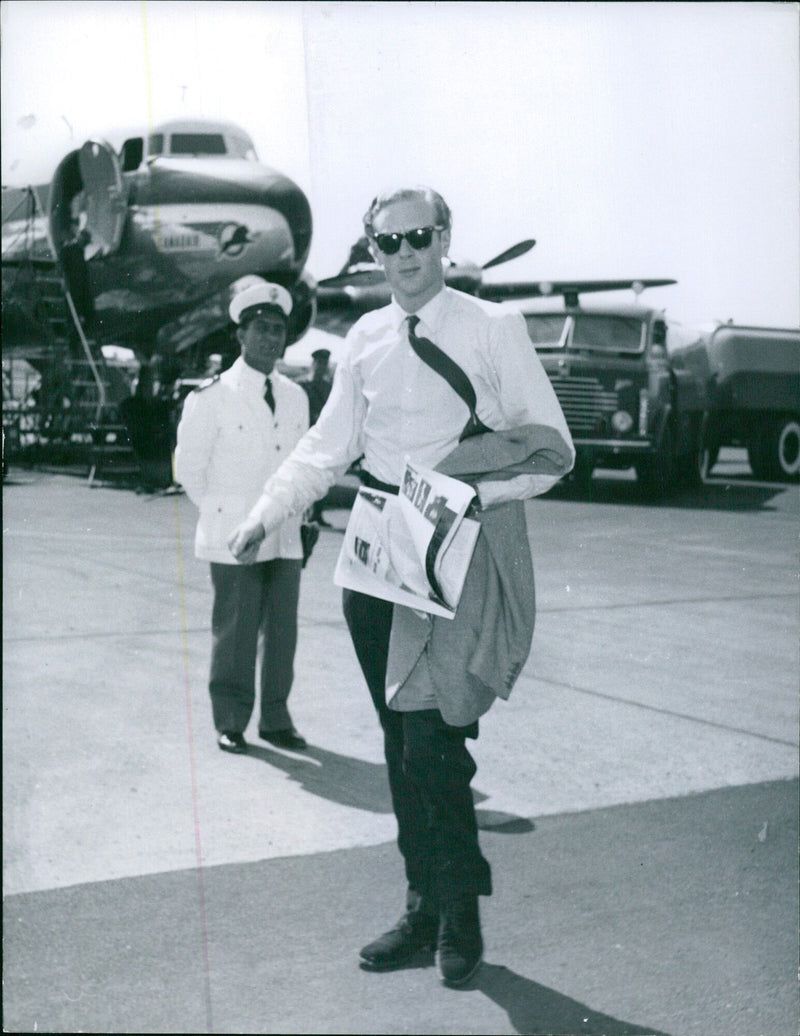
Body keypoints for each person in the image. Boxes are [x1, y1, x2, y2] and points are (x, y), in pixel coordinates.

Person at [228, 187, 574, 985]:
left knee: (430, 742)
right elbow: (325, 447)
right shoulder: (364, 341)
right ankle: (425, 902)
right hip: (381, 555)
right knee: (400, 744)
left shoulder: (493, 328)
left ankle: (458, 913)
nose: (404, 253)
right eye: (387, 242)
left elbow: (552, 450)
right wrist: (265, 511)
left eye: (418, 236)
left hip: (454, 544)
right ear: (374, 252)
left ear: (444, 239)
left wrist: (476, 499)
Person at [175, 279, 310, 754]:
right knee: (234, 633)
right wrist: (223, 514)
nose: (271, 338)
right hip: (234, 534)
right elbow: (188, 470)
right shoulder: (211, 398)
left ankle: (276, 718)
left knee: (281, 634)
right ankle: (230, 721)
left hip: (286, 534)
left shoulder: (296, 396)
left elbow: (302, 464)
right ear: (240, 334)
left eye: (278, 330)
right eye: (261, 329)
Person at [300, 348, 334, 525]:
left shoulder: (329, 388)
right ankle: (305, 513)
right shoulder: (301, 386)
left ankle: (317, 514)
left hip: (322, 439)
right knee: (305, 477)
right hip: (305, 438)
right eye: (319, 363)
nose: (321, 367)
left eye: (324, 364)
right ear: (313, 364)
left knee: (322, 478)